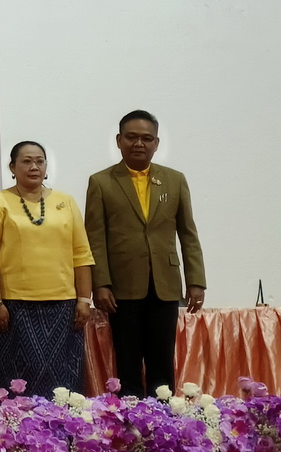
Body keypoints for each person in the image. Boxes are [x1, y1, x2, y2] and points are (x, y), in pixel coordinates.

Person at [85, 110, 206, 397]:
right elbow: (95, 238)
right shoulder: (101, 182)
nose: (139, 143)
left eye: (146, 138)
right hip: (121, 288)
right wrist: (100, 283)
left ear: (156, 143)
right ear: (119, 140)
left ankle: (161, 423)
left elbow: (188, 233)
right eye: (132, 137)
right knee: (127, 362)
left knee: (162, 362)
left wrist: (196, 280)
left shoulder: (175, 180)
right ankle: (130, 426)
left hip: (165, 285)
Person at [0, 141, 96, 397]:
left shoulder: (66, 202)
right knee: (15, 381)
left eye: (39, 161)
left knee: (61, 382)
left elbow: (81, 254)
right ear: (12, 167)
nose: (34, 167)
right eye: (26, 161)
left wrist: (84, 299)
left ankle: (64, 433)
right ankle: (13, 434)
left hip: (62, 307)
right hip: (13, 308)